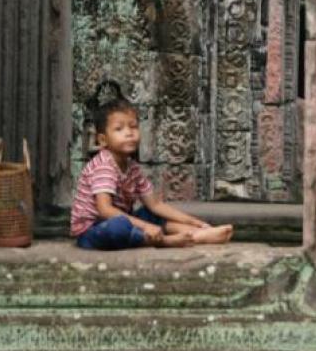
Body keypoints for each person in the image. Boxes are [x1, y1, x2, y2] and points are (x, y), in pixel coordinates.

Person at [71, 98, 234, 249]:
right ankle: (166, 241)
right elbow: (105, 211)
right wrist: (145, 227)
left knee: (149, 214)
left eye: (133, 126)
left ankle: (197, 233)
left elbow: (156, 204)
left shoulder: (132, 168)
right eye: (119, 129)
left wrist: (196, 222)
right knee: (119, 227)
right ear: (103, 140)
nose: (129, 133)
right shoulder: (104, 166)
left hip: (122, 220)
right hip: (93, 231)